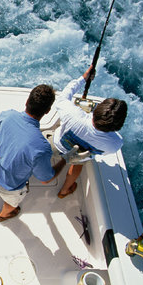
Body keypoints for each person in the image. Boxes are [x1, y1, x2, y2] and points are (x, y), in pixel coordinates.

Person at [0, 84, 66, 222]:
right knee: (11, 203)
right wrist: (65, 160)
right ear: (47, 111)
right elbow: (46, 178)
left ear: (27, 101)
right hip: (9, 186)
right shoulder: (42, 148)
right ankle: (3, 215)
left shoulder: (9, 115)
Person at [53, 65, 127, 198]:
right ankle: (64, 191)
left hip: (58, 144)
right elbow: (106, 150)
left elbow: (62, 98)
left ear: (97, 110)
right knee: (77, 166)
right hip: (79, 157)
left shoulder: (73, 114)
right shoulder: (116, 143)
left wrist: (83, 78)